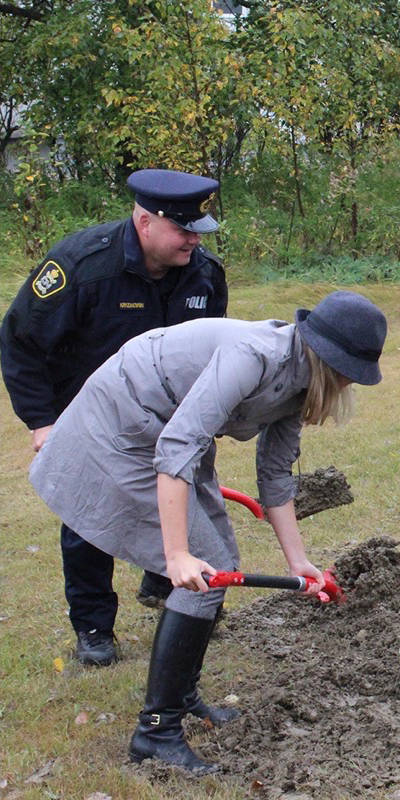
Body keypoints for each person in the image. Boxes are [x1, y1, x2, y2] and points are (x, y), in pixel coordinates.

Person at [27, 290, 386, 774]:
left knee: (219, 562)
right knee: (202, 568)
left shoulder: (300, 379)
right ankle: (156, 732)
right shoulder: (254, 357)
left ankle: (183, 696)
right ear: (330, 359)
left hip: (166, 431)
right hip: (126, 426)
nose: (349, 384)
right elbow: (177, 446)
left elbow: (277, 474)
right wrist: (176, 555)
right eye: (349, 372)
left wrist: (297, 562)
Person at [0, 168, 229, 666]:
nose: (194, 239)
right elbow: (20, 341)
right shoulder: (83, 267)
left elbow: (213, 355)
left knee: (185, 495)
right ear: (145, 222)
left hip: (169, 418)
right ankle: (93, 628)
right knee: (90, 519)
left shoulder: (204, 274)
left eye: (199, 230)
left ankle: (170, 583)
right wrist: (43, 422)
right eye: (183, 230)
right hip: (89, 416)